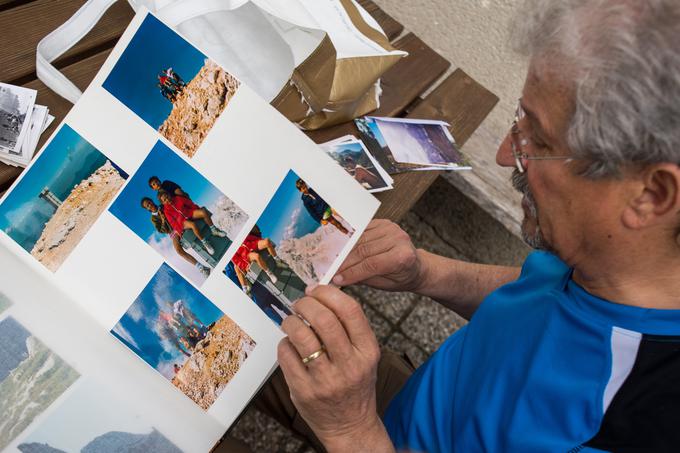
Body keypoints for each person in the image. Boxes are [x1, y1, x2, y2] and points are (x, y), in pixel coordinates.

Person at [217, 1, 680, 451]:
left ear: (650, 195)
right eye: (519, 120)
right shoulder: (622, 260)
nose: (504, 155)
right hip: (409, 408)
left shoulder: (633, 424)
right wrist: (426, 273)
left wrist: (350, 428)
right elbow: (542, 298)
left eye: (535, 138)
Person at [140, 197, 211, 277]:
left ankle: (206, 242)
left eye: (149, 202)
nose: (150, 205)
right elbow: (161, 230)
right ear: (147, 208)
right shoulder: (153, 219)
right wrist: (163, 220)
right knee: (179, 251)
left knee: (193, 228)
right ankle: (201, 268)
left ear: (152, 200)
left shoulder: (163, 205)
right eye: (147, 205)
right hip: (173, 232)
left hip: (179, 222)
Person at [157, 190, 227, 256]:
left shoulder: (177, 198)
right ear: (163, 203)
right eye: (164, 200)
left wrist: (196, 209)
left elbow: (189, 204)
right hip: (182, 222)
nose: (167, 199)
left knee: (203, 212)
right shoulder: (166, 211)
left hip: (189, 213)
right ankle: (205, 243)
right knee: (193, 225)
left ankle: (214, 230)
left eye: (167, 196)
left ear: (169, 195)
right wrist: (180, 231)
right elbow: (173, 223)